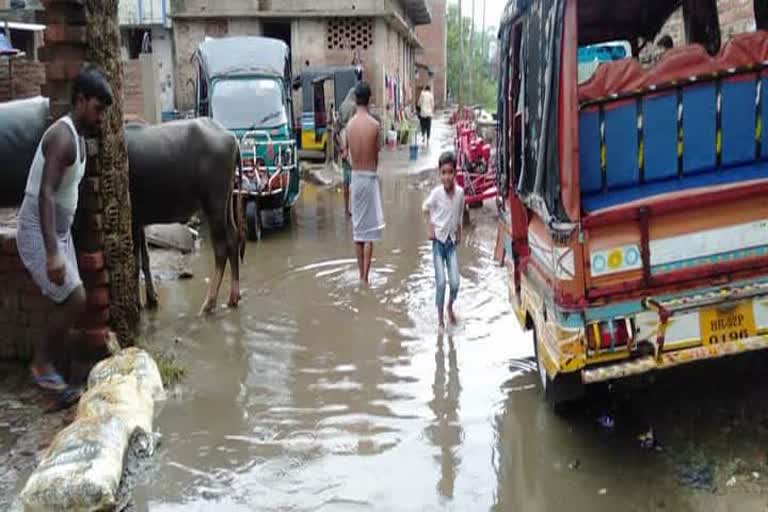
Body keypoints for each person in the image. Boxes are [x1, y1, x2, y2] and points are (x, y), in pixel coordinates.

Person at [16, 67, 113, 398]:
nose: (101, 118)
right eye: (98, 109)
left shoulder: (80, 140)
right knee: (75, 298)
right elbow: (44, 194)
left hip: (60, 231)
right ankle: (42, 365)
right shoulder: (62, 137)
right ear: (81, 100)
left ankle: (57, 377)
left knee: (69, 298)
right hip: (38, 230)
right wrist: (54, 253)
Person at [344, 81, 385, 284]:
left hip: (355, 179)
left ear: (355, 99)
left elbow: (347, 154)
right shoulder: (375, 125)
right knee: (369, 234)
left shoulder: (349, 126)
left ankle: (360, 275)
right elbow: (377, 155)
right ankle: (366, 277)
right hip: (369, 178)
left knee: (358, 232)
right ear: (369, 99)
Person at [423, 151, 465, 329]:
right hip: (438, 244)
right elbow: (425, 208)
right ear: (439, 173)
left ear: (455, 173)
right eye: (443, 173)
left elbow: (460, 213)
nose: (447, 176)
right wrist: (431, 227)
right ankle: (440, 319)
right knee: (441, 282)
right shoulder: (436, 194)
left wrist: (459, 233)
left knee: (455, 283)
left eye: (450, 172)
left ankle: (449, 306)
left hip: (451, 244)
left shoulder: (460, 193)